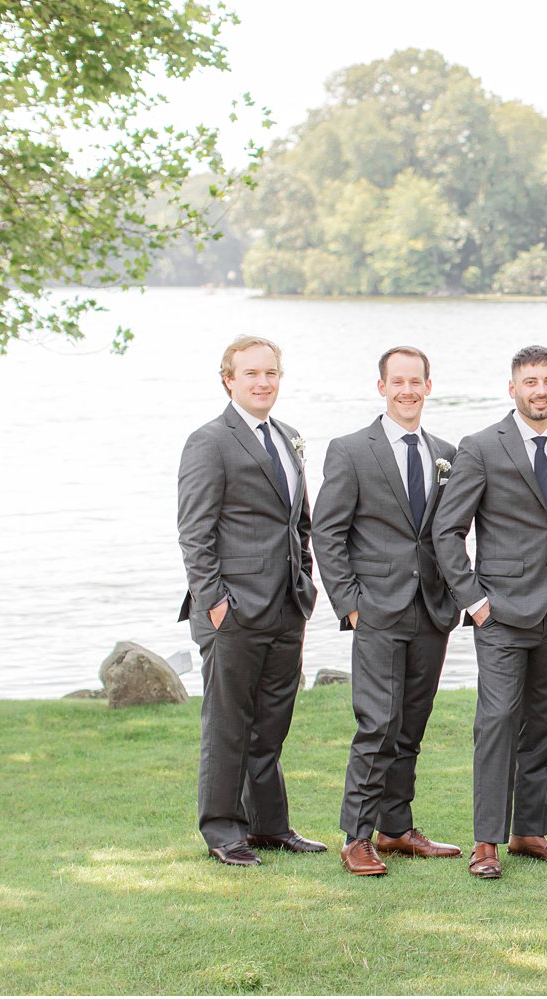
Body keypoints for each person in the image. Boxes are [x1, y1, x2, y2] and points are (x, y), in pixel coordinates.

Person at [432, 345, 547, 879]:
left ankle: (530, 830)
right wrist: (474, 601)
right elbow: (447, 531)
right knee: (498, 721)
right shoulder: (480, 447)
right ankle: (486, 842)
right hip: (498, 612)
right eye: (530, 381)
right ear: (513, 388)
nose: (540, 390)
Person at [312, 346, 463, 876]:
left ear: (428, 385)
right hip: (375, 608)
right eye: (397, 381)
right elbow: (327, 532)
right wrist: (349, 604)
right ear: (381, 387)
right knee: (377, 722)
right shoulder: (352, 450)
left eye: (416, 381)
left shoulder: (447, 452)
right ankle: (357, 835)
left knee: (411, 725)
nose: (407, 390)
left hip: (431, 610)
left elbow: (448, 531)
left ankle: (396, 827)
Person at [177, 335, 325, 866]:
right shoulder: (209, 441)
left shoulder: (287, 436)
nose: (263, 382)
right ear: (229, 380)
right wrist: (215, 602)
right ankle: (222, 830)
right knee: (228, 724)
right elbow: (195, 533)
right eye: (252, 374)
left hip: (287, 606)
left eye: (271, 373)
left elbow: (299, 522)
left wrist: (304, 582)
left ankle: (268, 825)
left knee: (272, 722)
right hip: (233, 610)